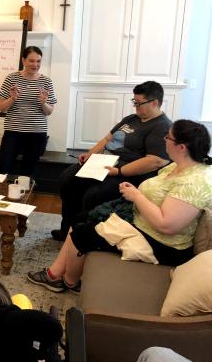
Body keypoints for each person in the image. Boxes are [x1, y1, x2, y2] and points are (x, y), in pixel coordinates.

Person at [28, 119, 212, 294]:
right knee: (82, 217)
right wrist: (135, 194)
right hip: (143, 222)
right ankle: (54, 274)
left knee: (82, 234)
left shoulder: (193, 182)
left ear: (181, 147)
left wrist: (137, 196)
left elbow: (167, 225)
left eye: (168, 138)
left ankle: (70, 282)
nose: (164, 141)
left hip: (163, 246)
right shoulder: (177, 166)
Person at [51, 80, 172, 241]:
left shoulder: (162, 126)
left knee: (93, 194)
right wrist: (90, 154)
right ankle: (67, 229)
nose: (135, 106)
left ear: (155, 102)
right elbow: (107, 138)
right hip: (107, 164)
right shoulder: (132, 118)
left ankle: (82, 237)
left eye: (139, 103)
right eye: (134, 102)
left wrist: (119, 171)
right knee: (67, 179)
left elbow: (154, 161)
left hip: (128, 174)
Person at [0, 46, 57, 177]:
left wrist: (43, 103)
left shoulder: (46, 81)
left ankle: (25, 196)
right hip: (13, 131)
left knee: (28, 171)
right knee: (4, 166)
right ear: (23, 60)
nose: (35, 65)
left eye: (38, 61)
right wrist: (12, 98)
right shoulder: (11, 78)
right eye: (31, 61)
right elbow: (2, 107)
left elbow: (49, 111)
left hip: (37, 132)